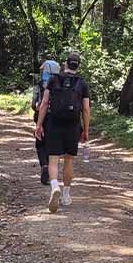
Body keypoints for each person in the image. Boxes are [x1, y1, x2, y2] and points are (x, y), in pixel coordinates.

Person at [35, 51, 90, 212]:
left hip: (54, 122)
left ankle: (54, 187)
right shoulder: (82, 83)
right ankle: (66, 195)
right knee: (69, 160)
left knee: (53, 159)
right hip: (73, 125)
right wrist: (85, 130)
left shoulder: (53, 79)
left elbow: (44, 103)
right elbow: (86, 109)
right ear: (78, 66)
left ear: (65, 64)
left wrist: (39, 125)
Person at [32, 54, 61, 184]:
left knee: (40, 143)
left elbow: (34, 104)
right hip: (55, 117)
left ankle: (43, 165)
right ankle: (49, 168)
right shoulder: (60, 83)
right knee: (52, 143)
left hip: (41, 116)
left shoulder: (39, 84)